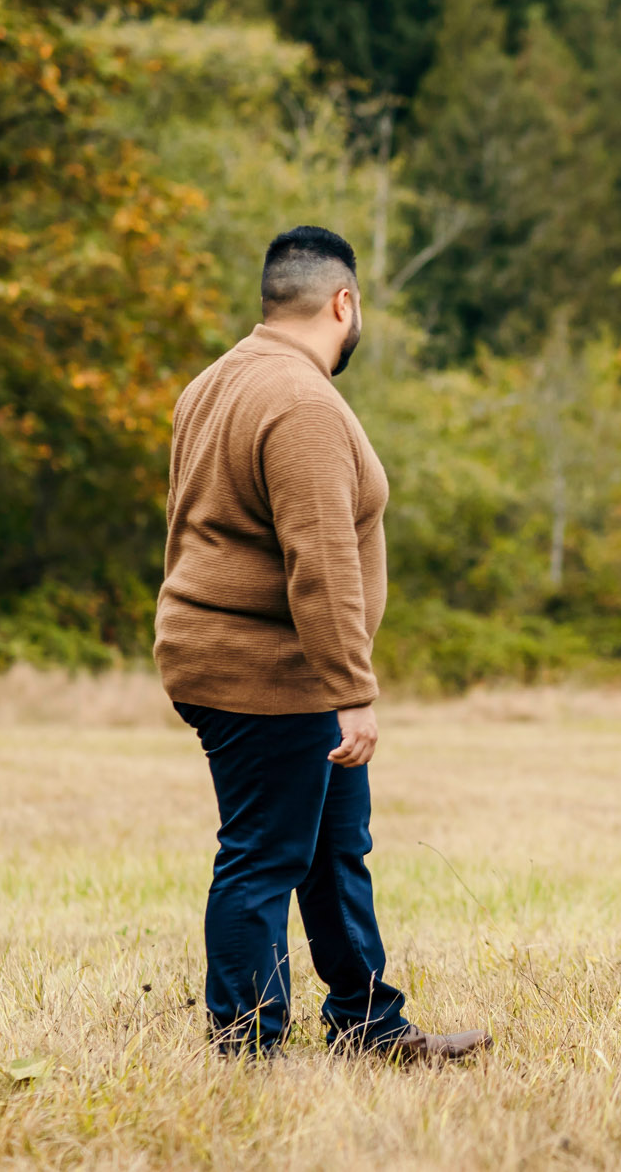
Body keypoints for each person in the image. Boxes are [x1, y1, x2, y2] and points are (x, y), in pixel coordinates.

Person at [153, 225, 489, 1062]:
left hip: (250, 658)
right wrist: (353, 687)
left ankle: (368, 1022)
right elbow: (322, 558)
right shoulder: (301, 403)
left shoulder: (216, 380)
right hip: (268, 670)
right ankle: (245, 1049)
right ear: (344, 302)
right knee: (264, 857)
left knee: (335, 849)